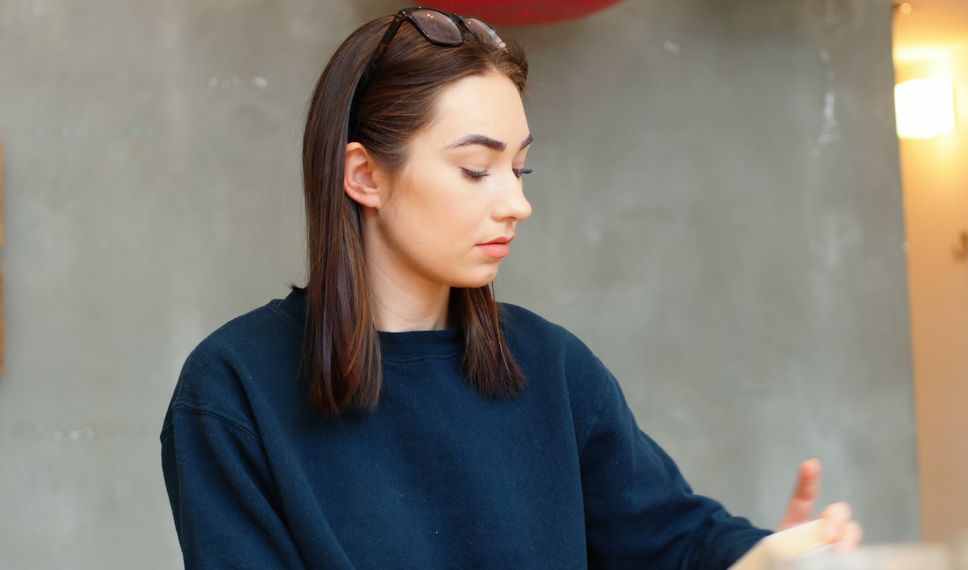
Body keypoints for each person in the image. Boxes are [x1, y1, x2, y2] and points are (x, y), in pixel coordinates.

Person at [159, 6, 862, 569]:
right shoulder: (232, 392)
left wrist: (767, 558)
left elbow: (676, 542)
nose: (516, 204)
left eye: (519, 171)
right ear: (365, 176)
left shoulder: (553, 370)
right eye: (476, 169)